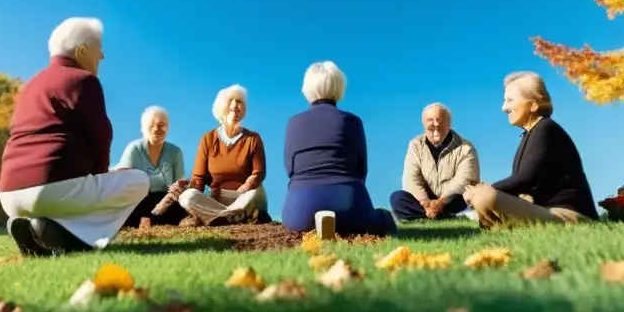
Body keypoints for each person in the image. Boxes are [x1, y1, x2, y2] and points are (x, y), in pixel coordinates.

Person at [0, 17, 149, 255]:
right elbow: (101, 135)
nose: (102, 57)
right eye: (99, 49)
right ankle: (74, 239)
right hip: (52, 190)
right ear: (81, 50)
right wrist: (101, 174)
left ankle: (31, 229)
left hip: (8, 195)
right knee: (139, 180)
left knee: (72, 191)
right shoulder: (83, 79)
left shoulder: (31, 84)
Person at [464, 71, 598, 226]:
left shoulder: (546, 129)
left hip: (569, 215)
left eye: (510, 100)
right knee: (484, 195)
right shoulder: (531, 133)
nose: (503, 107)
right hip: (545, 210)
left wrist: (483, 190)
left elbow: (525, 179)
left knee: (485, 196)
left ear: (534, 104)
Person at [282, 61, 396, 236]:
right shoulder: (352, 122)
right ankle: (340, 219)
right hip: (350, 204)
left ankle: (319, 221)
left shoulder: (293, 123)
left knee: (304, 214)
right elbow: (361, 169)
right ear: (339, 87)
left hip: (299, 211)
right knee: (385, 218)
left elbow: (290, 169)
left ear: (307, 88)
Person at [178, 84, 268, 225]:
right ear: (221, 107)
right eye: (230, 100)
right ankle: (233, 216)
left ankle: (219, 217)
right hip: (217, 198)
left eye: (239, 101)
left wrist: (248, 184)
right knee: (187, 197)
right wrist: (192, 194)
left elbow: (259, 172)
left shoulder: (253, 138)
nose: (235, 104)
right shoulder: (208, 139)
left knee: (256, 192)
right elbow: (198, 178)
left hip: (243, 196)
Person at [389, 103, 480, 221]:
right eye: (430, 120)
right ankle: (438, 216)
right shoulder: (415, 145)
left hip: (452, 201)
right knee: (397, 198)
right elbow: (412, 179)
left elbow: (464, 180)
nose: (435, 124)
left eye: (440, 120)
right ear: (424, 123)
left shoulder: (466, 148)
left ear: (449, 124)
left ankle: (430, 216)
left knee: (462, 196)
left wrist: (441, 202)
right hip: (424, 203)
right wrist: (425, 203)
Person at [116, 106, 188, 227]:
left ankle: (153, 220)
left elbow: (178, 184)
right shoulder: (134, 148)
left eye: (161, 125)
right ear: (143, 127)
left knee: (181, 205)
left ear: (167, 127)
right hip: (139, 198)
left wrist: (164, 203)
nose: (157, 129)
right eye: (152, 125)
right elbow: (124, 180)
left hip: (165, 200)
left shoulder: (175, 152)